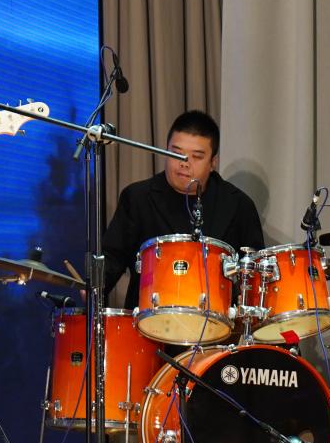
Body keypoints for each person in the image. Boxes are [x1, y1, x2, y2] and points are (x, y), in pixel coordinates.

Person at [102, 110, 264, 302]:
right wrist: (92, 287)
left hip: (217, 316)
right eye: (176, 153)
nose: (184, 163)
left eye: (196, 157)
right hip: (148, 315)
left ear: (213, 162)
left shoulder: (238, 205)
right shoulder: (137, 197)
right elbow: (111, 259)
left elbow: (254, 273)